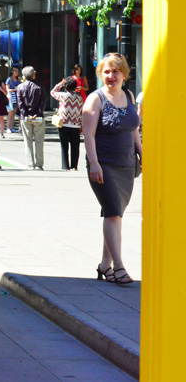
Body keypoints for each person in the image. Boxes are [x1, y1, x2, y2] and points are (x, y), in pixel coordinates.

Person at [83, 53, 141, 286]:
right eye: (106, 71)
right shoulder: (95, 99)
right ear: (101, 74)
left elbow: (133, 129)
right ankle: (118, 267)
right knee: (113, 213)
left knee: (115, 215)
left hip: (127, 165)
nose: (111, 76)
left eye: (116, 71)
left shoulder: (128, 96)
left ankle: (104, 265)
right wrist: (94, 163)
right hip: (104, 164)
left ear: (124, 75)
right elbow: (88, 134)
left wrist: (142, 152)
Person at [16, 66, 46, 170]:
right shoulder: (40, 87)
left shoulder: (20, 87)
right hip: (38, 117)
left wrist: (26, 114)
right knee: (39, 141)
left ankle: (30, 165)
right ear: (33, 74)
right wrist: (37, 113)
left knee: (27, 141)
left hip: (26, 117)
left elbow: (20, 104)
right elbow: (42, 103)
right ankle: (39, 165)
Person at [51, 77, 84, 171]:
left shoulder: (63, 95)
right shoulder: (79, 98)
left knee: (64, 146)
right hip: (76, 125)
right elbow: (81, 111)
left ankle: (65, 166)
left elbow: (52, 92)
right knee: (75, 146)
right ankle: (74, 166)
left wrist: (60, 84)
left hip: (64, 123)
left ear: (65, 87)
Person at [6, 67, 21, 133]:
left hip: (17, 96)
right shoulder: (9, 79)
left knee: (14, 112)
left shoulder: (18, 80)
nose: (17, 73)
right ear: (12, 71)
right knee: (10, 112)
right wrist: (15, 89)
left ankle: (12, 127)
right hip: (11, 96)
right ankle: (8, 127)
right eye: (15, 71)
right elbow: (7, 89)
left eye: (17, 71)